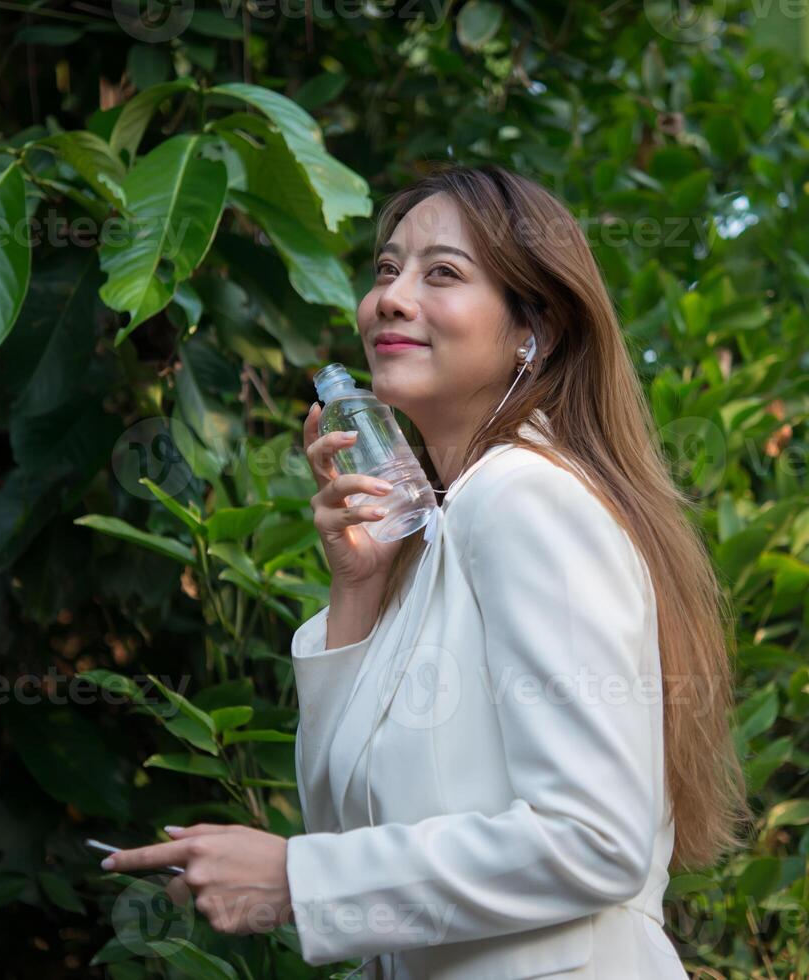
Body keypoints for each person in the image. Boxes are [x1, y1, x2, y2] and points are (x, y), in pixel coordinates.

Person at [101, 163, 748, 979]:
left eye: (441, 272)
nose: (390, 299)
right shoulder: (442, 533)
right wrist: (358, 593)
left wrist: (297, 880)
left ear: (533, 329)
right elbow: (354, 837)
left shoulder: (525, 496)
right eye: (385, 270)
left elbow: (596, 841)